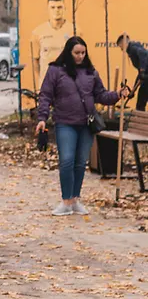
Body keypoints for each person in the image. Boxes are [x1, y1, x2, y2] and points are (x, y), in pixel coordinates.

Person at [36, 37, 128, 216]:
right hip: (65, 122)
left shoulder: (90, 72)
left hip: (86, 124)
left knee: (80, 163)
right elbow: (45, 95)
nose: (80, 56)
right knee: (67, 161)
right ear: (68, 53)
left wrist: (118, 94)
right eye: (76, 53)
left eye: (83, 53)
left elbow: (101, 95)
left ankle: (75, 200)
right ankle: (66, 201)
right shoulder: (55, 70)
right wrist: (42, 118)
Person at [30, 0, 69, 90]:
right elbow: (35, 60)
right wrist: (41, 81)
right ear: (48, 9)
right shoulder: (38, 32)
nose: (56, 10)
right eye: (53, 7)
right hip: (47, 85)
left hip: (68, 84)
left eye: (59, 7)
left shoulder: (75, 30)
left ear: (65, 8)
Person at [116, 34, 148, 111]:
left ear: (123, 43)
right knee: (142, 96)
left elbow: (144, 54)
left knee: (142, 97)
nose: (121, 49)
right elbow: (140, 75)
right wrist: (133, 90)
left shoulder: (132, 48)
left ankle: (140, 117)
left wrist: (142, 70)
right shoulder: (132, 49)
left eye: (120, 46)